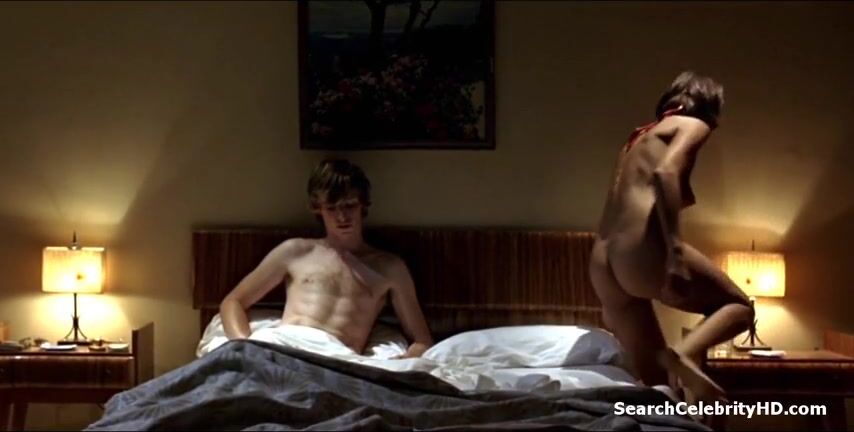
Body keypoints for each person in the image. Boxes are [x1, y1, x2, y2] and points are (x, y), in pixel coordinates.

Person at [589, 71, 753, 402]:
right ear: (709, 105)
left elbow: (634, 195)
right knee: (739, 307)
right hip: (637, 253)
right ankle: (684, 353)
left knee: (659, 391)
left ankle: (674, 387)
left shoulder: (637, 139)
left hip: (602, 262)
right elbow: (666, 173)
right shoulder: (693, 124)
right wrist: (674, 253)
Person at [220, 158, 434, 358]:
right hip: (285, 347)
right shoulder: (295, 251)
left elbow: (422, 341)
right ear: (317, 209)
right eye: (331, 208)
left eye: (349, 205)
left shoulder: (389, 267)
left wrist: (401, 362)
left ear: (363, 204)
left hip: (337, 358)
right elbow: (233, 302)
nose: (342, 217)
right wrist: (245, 347)